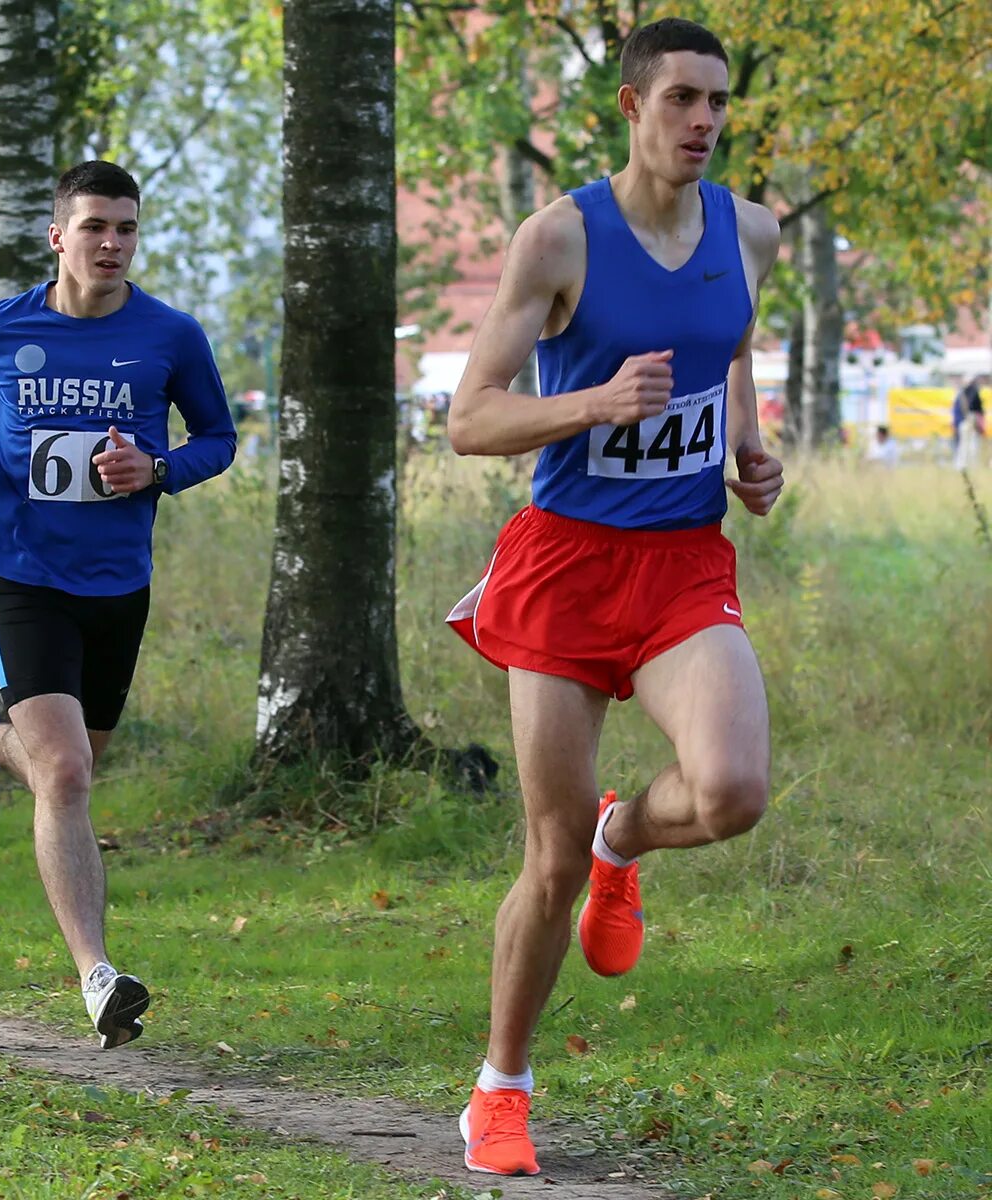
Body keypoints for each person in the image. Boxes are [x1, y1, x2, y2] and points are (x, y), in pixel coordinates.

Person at [442, 19, 784, 1176]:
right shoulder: (559, 239)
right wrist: (590, 406)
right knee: (544, 860)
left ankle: (623, 839)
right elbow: (469, 417)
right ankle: (500, 1088)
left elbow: (727, 341)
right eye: (682, 99)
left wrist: (747, 443)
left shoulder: (750, 229)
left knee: (733, 789)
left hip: (684, 559)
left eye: (718, 103)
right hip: (566, 561)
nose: (703, 122)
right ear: (631, 108)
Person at [0, 160, 236, 1049]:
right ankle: (97, 975)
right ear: (57, 235)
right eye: (95, 226)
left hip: (119, 585)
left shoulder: (169, 335)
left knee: (78, 767)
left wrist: (161, 467)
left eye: (126, 229)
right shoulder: (1, 325)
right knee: (63, 775)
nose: (111, 243)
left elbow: (219, 437)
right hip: (23, 573)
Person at [953, 376, 984, 469]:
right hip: (969, 420)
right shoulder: (972, 392)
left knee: (966, 444)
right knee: (971, 444)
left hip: (964, 421)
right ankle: (969, 465)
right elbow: (978, 409)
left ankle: (962, 465)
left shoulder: (961, 393)